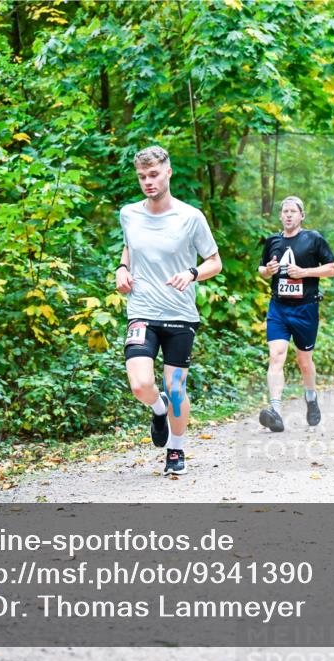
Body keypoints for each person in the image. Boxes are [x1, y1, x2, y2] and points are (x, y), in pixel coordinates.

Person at [116, 146, 222, 475]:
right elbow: (130, 246)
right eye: (142, 177)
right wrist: (121, 267)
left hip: (180, 315)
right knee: (139, 384)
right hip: (142, 311)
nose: (148, 182)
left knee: (176, 387)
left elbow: (215, 263)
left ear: (168, 172)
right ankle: (158, 408)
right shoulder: (129, 214)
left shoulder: (191, 217)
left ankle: (175, 450)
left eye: (154, 175)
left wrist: (191, 274)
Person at [257, 196, 334, 432]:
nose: (289, 215)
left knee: (304, 361)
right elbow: (262, 269)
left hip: (306, 308)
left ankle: (311, 399)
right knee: (276, 355)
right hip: (279, 308)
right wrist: (267, 270)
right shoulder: (272, 240)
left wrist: (304, 272)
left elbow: (333, 268)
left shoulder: (313, 239)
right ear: (281, 216)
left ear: (302, 215)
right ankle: (275, 411)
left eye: (293, 211)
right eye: (285, 211)